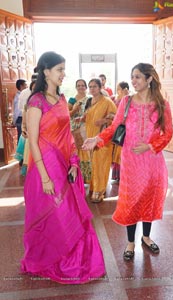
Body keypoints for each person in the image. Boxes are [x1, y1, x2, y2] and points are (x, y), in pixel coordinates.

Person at [20, 51, 105, 284]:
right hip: (44, 168)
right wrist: (45, 178)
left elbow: (67, 134)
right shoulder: (35, 101)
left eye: (63, 69)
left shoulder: (60, 99)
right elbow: (33, 141)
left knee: (69, 214)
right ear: (46, 72)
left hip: (64, 164)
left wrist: (74, 162)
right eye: (59, 69)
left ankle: (69, 260)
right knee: (54, 215)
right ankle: (49, 259)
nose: (63, 74)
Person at [82, 63, 173, 260]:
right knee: (131, 200)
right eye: (132, 76)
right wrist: (98, 139)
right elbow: (114, 127)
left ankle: (146, 237)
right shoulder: (126, 102)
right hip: (131, 161)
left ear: (149, 79)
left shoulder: (162, 104)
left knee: (150, 197)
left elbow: (168, 133)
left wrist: (150, 146)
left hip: (152, 160)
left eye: (138, 77)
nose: (133, 80)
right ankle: (131, 242)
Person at [85, 78, 117, 202]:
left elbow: (115, 118)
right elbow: (90, 116)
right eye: (90, 86)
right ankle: (94, 187)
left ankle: (100, 191)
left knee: (101, 164)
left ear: (100, 88)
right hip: (90, 136)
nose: (92, 89)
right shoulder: (90, 101)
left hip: (103, 138)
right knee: (93, 164)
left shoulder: (107, 102)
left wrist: (104, 120)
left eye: (94, 86)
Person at [68, 79, 91, 183]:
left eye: (83, 85)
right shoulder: (72, 100)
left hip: (85, 128)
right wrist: (75, 109)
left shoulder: (90, 99)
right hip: (74, 128)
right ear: (76, 87)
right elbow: (68, 114)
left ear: (86, 87)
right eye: (78, 85)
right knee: (76, 151)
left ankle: (87, 178)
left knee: (86, 150)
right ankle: (77, 177)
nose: (81, 87)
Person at [111, 81, 130, 182]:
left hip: (124, 129)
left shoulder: (128, 99)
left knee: (121, 152)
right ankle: (118, 175)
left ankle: (123, 175)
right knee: (117, 152)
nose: (117, 90)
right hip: (117, 127)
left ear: (124, 89)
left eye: (119, 88)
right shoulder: (116, 98)